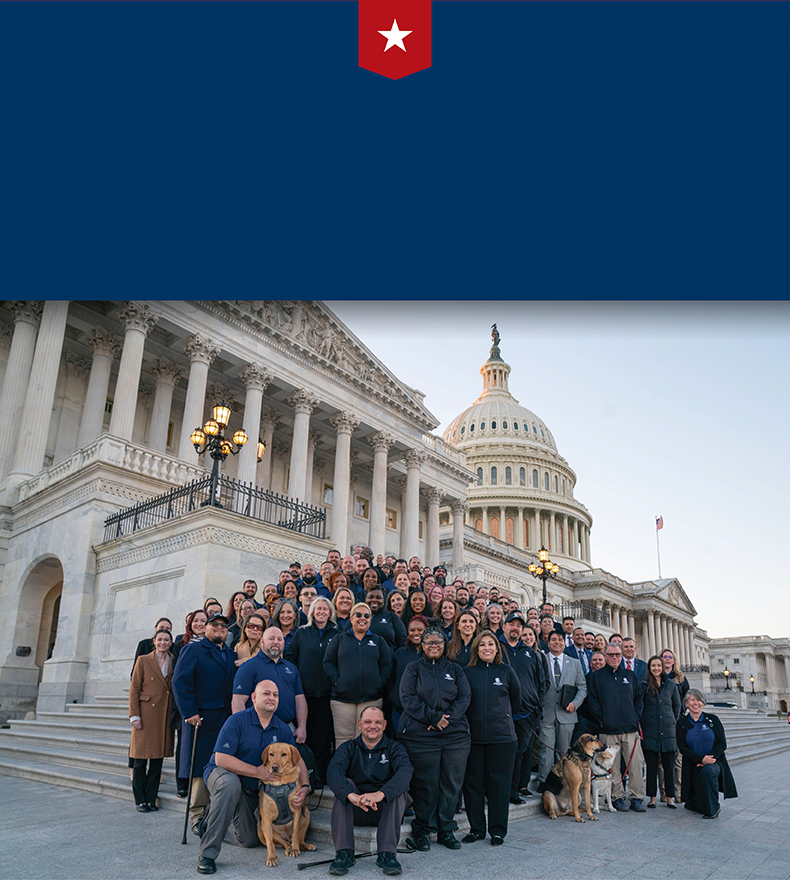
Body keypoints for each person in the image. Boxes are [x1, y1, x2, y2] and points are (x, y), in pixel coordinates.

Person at [197, 680, 309, 876]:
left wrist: (306, 786)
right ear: (254, 697)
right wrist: (257, 772)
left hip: (252, 790)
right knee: (230, 784)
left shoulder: (282, 728)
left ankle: (213, 819)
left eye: (275, 695)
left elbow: (297, 760)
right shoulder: (237, 721)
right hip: (223, 775)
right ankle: (207, 854)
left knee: (249, 840)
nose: (271, 698)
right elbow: (221, 758)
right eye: (266, 693)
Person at [399, 625, 471, 852]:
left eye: (438, 643)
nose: (433, 646)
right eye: (428, 642)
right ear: (422, 645)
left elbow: (464, 696)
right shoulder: (413, 668)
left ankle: (446, 830)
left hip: (454, 736)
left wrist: (445, 719)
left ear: (444, 645)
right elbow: (407, 697)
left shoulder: (456, 669)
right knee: (426, 785)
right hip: (422, 736)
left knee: (451, 783)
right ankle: (423, 829)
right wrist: (432, 717)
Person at [326, 706, 413, 877]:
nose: (373, 726)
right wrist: (352, 796)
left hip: (385, 811)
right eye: (368, 722)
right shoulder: (348, 747)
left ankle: (387, 854)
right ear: (359, 724)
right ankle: (345, 853)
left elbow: (406, 772)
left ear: (384, 725)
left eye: (378, 722)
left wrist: (380, 794)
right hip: (356, 809)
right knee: (345, 784)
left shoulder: (395, 748)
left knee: (398, 788)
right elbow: (333, 772)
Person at [172, 613, 238, 835]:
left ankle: (217, 813)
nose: (220, 628)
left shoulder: (230, 654)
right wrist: (189, 711)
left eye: (223, 626)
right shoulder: (193, 650)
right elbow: (180, 681)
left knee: (221, 763)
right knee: (200, 767)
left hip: (225, 718)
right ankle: (197, 815)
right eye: (215, 625)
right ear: (206, 628)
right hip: (201, 718)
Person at [461, 632, 521, 845]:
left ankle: (497, 831)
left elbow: (517, 699)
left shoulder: (506, 671)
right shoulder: (467, 672)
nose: (487, 648)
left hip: (502, 739)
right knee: (473, 785)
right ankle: (477, 829)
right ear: (476, 649)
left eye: (491, 644)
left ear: (497, 649)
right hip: (473, 739)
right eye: (482, 645)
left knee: (499, 786)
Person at [586, 641, 646, 813]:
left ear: (622, 656)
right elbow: (593, 701)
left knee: (635, 764)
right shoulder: (597, 677)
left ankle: (637, 797)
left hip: (630, 730)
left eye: (617, 655)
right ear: (605, 656)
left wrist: (636, 717)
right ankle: (617, 797)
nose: (614, 658)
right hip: (608, 731)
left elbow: (639, 699)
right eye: (611, 655)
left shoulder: (630, 675)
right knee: (613, 767)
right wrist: (602, 720)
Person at [284, 596, 339, 783]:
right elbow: (290, 656)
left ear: (330, 612)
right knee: (303, 735)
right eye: (318, 609)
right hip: (304, 694)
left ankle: (319, 775)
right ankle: (304, 775)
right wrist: (296, 678)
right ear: (312, 612)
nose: (322, 612)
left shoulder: (337, 634)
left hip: (327, 695)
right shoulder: (302, 633)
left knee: (322, 738)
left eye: (325, 609)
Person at [323, 602, 393, 748]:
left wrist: (379, 682)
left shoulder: (378, 641)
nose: (363, 618)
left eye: (367, 616)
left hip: (371, 699)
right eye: (358, 615)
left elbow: (387, 664)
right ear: (351, 618)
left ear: (370, 620)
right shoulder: (339, 639)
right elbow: (328, 663)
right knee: (344, 740)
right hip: (342, 699)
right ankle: (344, 771)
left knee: (368, 739)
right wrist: (337, 681)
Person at [499, 612, 547, 801]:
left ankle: (513, 790)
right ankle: (501, 790)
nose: (515, 628)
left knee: (520, 753)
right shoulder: (496, 648)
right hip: (502, 712)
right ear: (504, 626)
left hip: (526, 713)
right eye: (511, 624)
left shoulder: (530, 653)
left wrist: (538, 707)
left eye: (519, 625)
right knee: (504, 754)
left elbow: (541, 682)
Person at [231, 628, 307, 743]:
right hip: (258, 729)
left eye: (279, 639)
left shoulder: (291, 668)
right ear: (262, 642)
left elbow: (300, 699)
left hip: (287, 729)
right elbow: (238, 701)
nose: (276, 642)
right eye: (271, 639)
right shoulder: (249, 667)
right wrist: (244, 729)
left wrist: (302, 727)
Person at [129, 629, 175, 812]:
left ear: (171, 642)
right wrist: (134, 715)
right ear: (154, 641)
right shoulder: (143, 660)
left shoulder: (174, 660)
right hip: (146, 715)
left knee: (157, 761)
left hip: (164, 715)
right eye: (160, 639)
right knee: (140, 760)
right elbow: (134, 689)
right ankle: (140, 799)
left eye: (166, 640)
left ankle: (151, 798)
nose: (163, 642)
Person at [536, 630, 587, 788]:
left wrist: (575, 703)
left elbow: (582, 688)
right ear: (548, 643)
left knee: (563, 751)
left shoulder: (574, 663)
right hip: (547, 713)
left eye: (560, 639)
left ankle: (562, 781)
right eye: (553, 640)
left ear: (565, 643)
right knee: (546, 750)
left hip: (567, 714)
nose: (557, 642)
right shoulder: (540, 660)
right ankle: (544, 781)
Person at [677, 689, 737, 819]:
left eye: (698, 700)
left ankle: (713, 810)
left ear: (703, 702)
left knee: (708, 772)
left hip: (714, 763)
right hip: (693, 764)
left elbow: (722, 743)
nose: (696, 703)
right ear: (686, 703)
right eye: (692, 700)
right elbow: (682, 748)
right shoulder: (681, 723)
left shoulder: (713, 720)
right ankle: (697, 803)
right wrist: (700, 759)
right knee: (696, 806)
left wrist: (710, 759)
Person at [171, 609, 208, 797]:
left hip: (204, 702)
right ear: (190, 623)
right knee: (184, 745)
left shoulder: (213, 644)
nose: (199, 624)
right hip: (185, 702)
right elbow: (177, 674)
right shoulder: (181, 643)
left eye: (203, 621)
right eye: (196, 621)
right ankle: (182, 782)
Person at [641, 655, 681, 809]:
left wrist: (672, 721)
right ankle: (652, 797)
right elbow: (641, 706)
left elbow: (677, 706)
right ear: (649, 668)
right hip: (650, 729)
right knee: (651, 767)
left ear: (663, 667)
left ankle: (669, 797)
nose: (656, 668)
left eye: (658, 665)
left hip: (668, 730)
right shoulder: (644, 685)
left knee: (668, 767)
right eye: (653, 666)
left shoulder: (671, 685)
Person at [388, 615, 429, 732]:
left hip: (425, 712)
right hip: (400, 710)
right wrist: (394, 698)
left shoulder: (433, 655)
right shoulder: (400, 653)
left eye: (420, 630)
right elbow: (392, 679)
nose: (415, 633)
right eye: (412, 630)